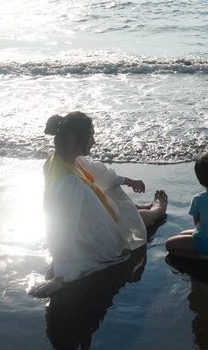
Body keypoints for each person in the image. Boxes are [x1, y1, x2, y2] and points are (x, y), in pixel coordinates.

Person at [30, 111, 167, 296]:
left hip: (87, 215)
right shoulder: (69, 183)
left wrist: (127, 180)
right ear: (72, 138)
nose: (93, 141)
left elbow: (100, 173)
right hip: (104, 243)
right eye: (90, 136)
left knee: (110, 188)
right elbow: (64, 229)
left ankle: (138, 208)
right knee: (135, 225)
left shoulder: (58, 159)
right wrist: (59, 277)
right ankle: (157, 210)